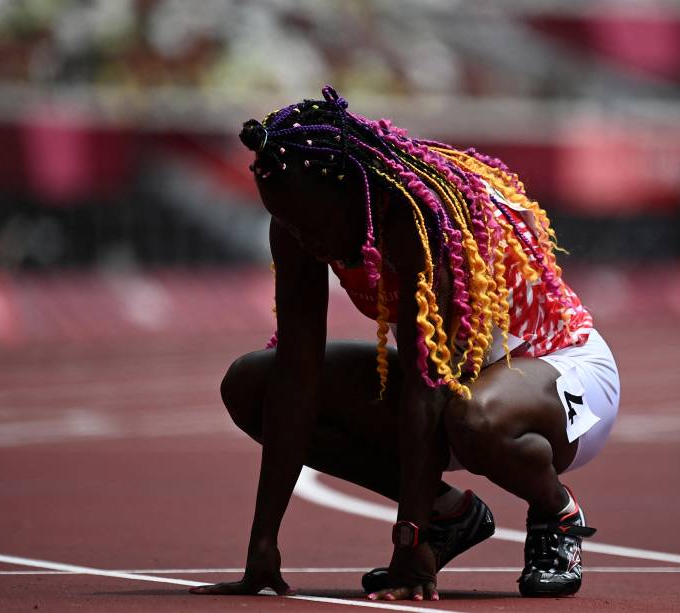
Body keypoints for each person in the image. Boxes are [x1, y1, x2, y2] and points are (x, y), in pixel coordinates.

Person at [190, 86, 620, 601]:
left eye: (313, 226)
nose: (308, 242)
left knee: (470, 419)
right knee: (251, 385)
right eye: (287, 224)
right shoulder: (299, 220)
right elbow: (296, 376)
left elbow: (427, 383)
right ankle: (450, 516)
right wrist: (262, 543)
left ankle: (557, 514)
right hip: (459, 383)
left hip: (561, 373)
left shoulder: (421, 220)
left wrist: (407, 539)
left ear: (353, 192)